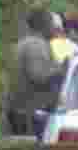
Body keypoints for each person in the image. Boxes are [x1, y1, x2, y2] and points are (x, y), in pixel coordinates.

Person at [8, 8, 67, 137]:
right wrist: (61, 70)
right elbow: (38, 75)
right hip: (30, 113)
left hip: (21, 109)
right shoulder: (36, 45)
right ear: (44, 25)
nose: (54, 29)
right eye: (52, 24)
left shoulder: (26, 43)